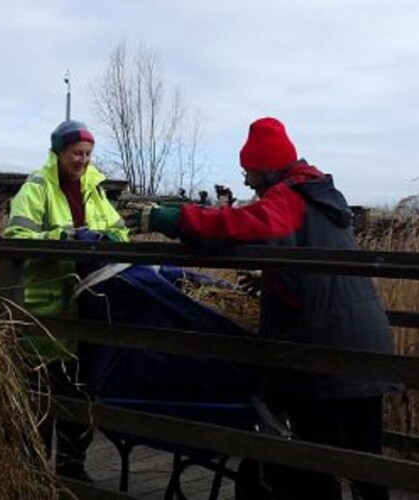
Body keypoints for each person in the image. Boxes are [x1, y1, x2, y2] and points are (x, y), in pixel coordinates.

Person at [129, 117, 394, 499]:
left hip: (326, 346)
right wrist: (271, 278)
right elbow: (303, 261)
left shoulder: (289, 197)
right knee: (366, 462)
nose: (247, 182)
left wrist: (174, 219)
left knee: (315, 461)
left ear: (267, 168)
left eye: (249, 172)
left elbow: (240, 225)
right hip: (365, 340)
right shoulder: (320, 197)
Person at [4, 120, 129, 482]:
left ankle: (72, 468)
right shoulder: (37, 188)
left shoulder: (95, 189)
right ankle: (32, 473)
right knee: (39, 399)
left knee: (79, 394)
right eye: (76, 153)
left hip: (87, 307)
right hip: (45, 309)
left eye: (88, 154)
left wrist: (108, 239)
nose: (83, 160)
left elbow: (121, 232)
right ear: (58, 152)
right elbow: (16, 237)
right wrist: (64, 238)